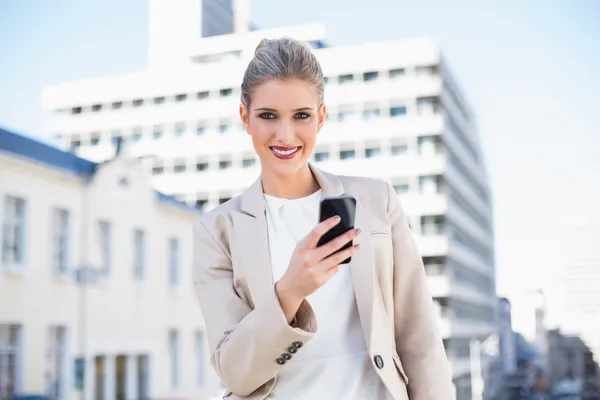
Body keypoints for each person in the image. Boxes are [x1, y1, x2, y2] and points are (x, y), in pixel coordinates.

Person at [193, 37, 455, 400]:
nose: (285, 135)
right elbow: (236, 374)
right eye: (268, 116)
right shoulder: (217, 231)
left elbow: (420, 339)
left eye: (301, 116)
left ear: (320, 118)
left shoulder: (375, 201)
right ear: (245, 118)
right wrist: (289, 292)